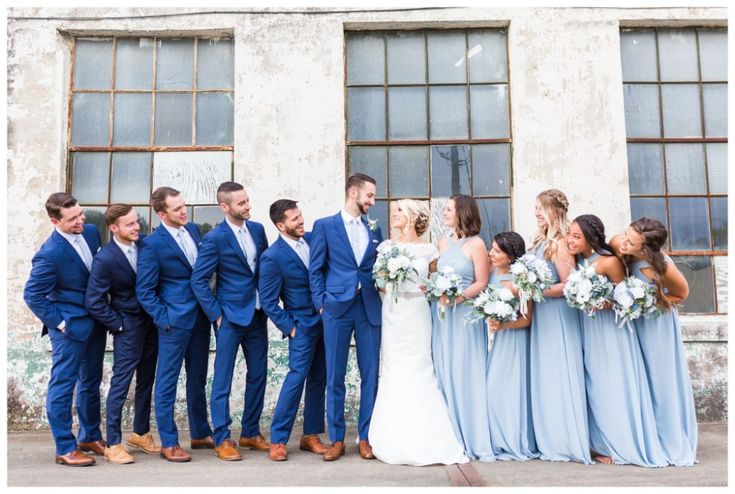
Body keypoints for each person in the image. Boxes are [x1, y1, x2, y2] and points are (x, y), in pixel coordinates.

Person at [369, 200, 468, 466]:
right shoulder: (386, 247)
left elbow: (437, 280)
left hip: (417, 312)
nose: (394, 214)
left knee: (420, 366)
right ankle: (391, 433)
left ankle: (429, 435)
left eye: (400, 210)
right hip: (392, 312)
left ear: (413, 217)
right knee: (393, 368)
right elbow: (377, 282)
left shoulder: (429, 250)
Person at [568, 214, 666, 467]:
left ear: (591, 238)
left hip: (610, 331)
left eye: (577, 236)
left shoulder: (609, 261)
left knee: (611, 385)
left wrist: (605, 302)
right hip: (589, 329)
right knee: (594, 386)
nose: (571, 239)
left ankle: (620, 445)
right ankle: (600, 443)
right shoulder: (580, 259)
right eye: (570, 234)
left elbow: (625, 296)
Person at [23, 192, 106, 466]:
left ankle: (90, 436)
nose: (81, 221)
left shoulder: (92, 232)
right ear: (54, 221)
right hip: (69, 329)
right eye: (73, 219)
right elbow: (33, 295)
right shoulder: (49, 254)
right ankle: (65, 448)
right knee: (63, 385)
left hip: (96, 322)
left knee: (91, 382)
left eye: (81, 214)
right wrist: (60, 323)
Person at [190, 181, 270, 461]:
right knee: (222, 379)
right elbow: (199, 281)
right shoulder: (215, 238)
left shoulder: (258, 230)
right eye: (241, 203)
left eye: (248, 201)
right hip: (230, 319)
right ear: (224, 207)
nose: (248, 206)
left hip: (258, 315)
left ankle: (250, 432)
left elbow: (264, 270)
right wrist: (217, 316)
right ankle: (222, 437)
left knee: (259, 374)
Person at [611, 217, 698, 466]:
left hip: (657, 325)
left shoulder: (663, 266)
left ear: (646, 249)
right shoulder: (620, 243)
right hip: (631, 323)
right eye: (625, 234)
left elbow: (681, 294)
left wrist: (653, 301)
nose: (624, 242)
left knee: (659, 380)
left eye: (631, 242)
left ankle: (664, 438)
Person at [309, 173, 383, 461]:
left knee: (370, 375)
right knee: (334, 375)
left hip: (368, 308)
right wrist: (321, 304)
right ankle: (337, 439)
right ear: (354, 193)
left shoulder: (374, 228)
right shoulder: (325, 226)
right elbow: (315, 269)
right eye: (370, 195)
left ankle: (366, 437)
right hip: (336, 310)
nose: (372, 201)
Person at [136, 187, 214, 462]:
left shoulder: (193, 230)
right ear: (161, 214)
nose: (184, 212)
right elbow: (145, 290)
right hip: (173, 322)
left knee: (198, 378)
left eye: (184, 205)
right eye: (177, 209)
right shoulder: (152, 244)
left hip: (201, 318)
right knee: (167, 383)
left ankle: (200, 433)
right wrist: (164, 318)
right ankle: (169, 441)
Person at [85, 204, 160, 464]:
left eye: (136, 221)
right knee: (121, 383)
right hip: (127, 327)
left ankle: (140, 433)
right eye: (129, 224)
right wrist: (118, 325)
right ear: (114, 228)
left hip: (152, 323)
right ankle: (114, 443)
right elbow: (94, 301)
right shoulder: (105, 258)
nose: (137, 226)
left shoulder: (145, 246)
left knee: (147, 380)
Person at [259, 199, 328, 462]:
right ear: (280, 225)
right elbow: (267, 300)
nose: (301, 222)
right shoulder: (272, 256)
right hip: (300, 325)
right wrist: (290, 328)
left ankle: (310, 435)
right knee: (296, 378)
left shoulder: (312, 239)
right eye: (294, 219)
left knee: (318, 378)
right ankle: (278, 439)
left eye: (300, 216)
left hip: (325, 321)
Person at [527, 189, 591, 464]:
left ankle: (565, 440)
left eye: (541, 208)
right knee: (545, 375)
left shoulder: (562, 243)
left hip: (557, 316)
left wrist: (535, 289)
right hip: (542, 316)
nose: (536, 213)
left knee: (559, 372)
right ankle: (549, 437)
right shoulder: (540, 241)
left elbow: (569, 285)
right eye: (535, 208)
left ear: (555, 210)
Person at [431, 194, 495, 462]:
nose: (444, 213)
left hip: (465, 314)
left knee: (465, 369)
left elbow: (482, 281)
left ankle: (471, 434)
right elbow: (435, 273)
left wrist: (457, 297)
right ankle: (448, 434)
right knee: (444, 368)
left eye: (449, 209)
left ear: (463, 213)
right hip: (443, 315)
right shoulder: (443, 242)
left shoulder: (477, 244)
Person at [485, 232, 539, 461]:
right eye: (492, 249)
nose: (491, 253)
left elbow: (527, 320)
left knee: (509, 389)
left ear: (510, 256)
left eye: (497, 251)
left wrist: (504, 324)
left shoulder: (522, 280)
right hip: (493, 340)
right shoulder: (491, 272)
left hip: (513, 341)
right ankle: (495, 438)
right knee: (491, 389)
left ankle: (513, 439)